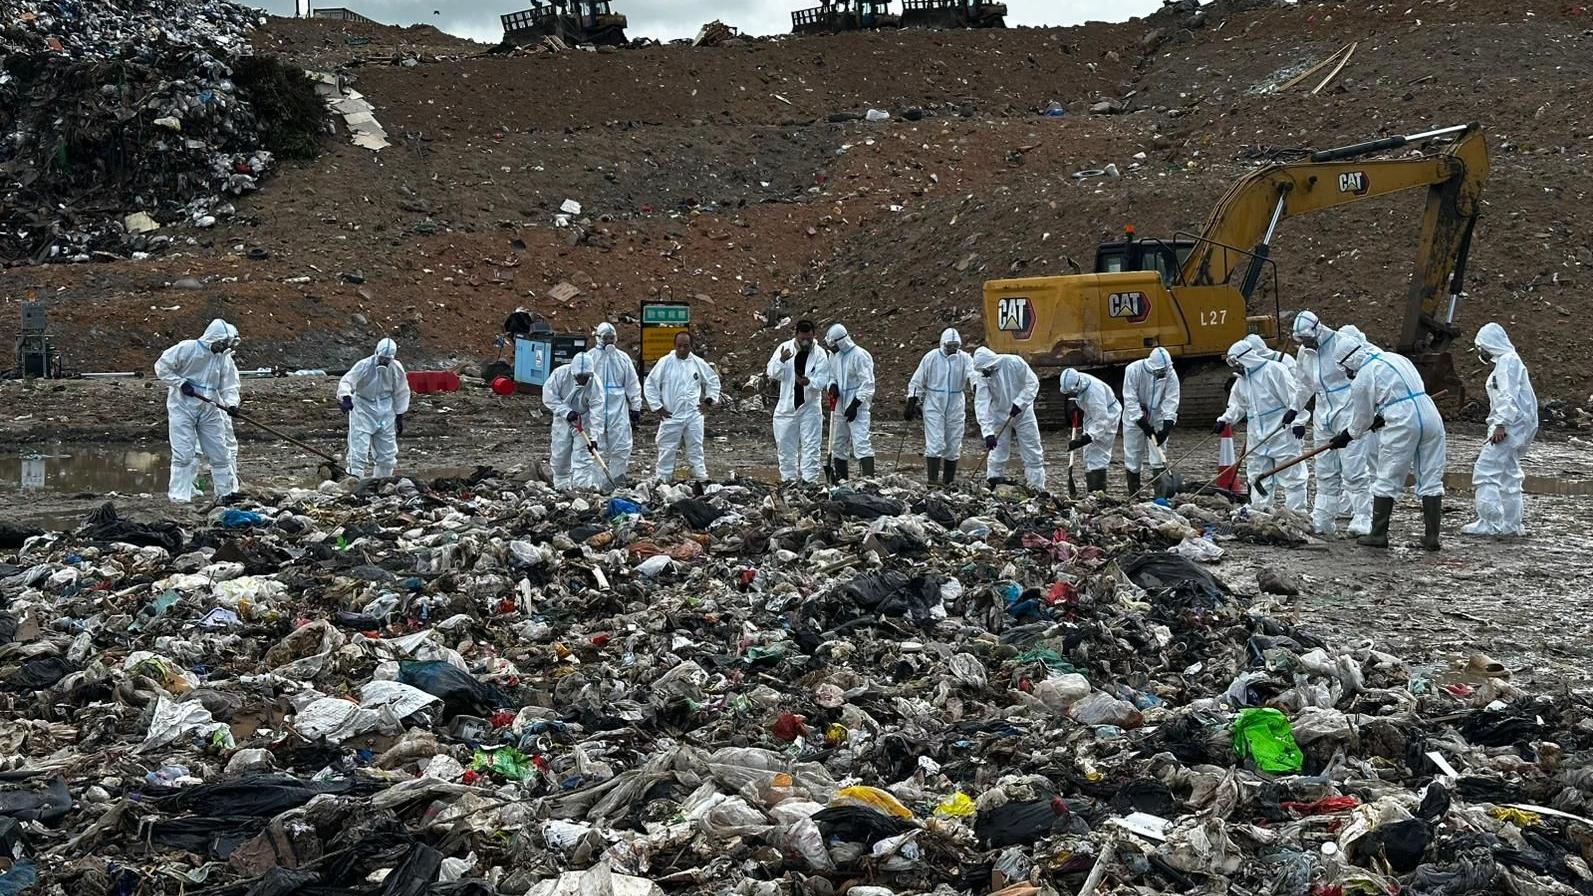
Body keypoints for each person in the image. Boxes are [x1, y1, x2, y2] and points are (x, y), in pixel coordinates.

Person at [1334, 340, 1447, 550]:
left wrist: (1347, 436)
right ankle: (1432, 537)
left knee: (1387, 476)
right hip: (1429, 413)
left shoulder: (1363, 377)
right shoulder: (1396, 358)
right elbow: (1400, 391)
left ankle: (1378, 534)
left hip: (1401, 421)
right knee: (1431, 476)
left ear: (1348, 362)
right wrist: (1382, 414)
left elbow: (1362, 420)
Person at [1291, 311, 1371, 536]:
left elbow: (1368, 365)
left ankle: (1363, 516)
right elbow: (1304, 384)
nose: (1305, 343)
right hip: (1323, 413)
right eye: (1301, 340)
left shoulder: (1342, 343)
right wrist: (1294, 408)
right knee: (1325, 468)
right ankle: (1323, 518)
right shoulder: (1305, 352)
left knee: (1353, 468)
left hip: (1348, 408)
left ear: (1317, 330)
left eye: (1307, 338)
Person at [1463, 322, 1537, 537]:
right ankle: (1511, 524)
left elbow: (1507, 395)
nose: (1481, 352)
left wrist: (1501, 424)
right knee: (1509, 475)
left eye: (1481, 346)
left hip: (1509, 426)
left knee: (1486, 471)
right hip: (1516, 425)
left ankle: (1490, 523)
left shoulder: (1507, 362)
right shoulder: (1511, 361)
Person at [155, 319, 240, 504]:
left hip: (210, 407)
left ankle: (225, 493)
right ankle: (179, 496)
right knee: (184, 453)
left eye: (225, 345)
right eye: (221, 343)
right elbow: (161, 366)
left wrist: (232, 404)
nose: (222, 348)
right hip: (182, 405)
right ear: (212, 338)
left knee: (220, 452)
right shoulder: (187, 349)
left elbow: (229, 384)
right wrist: (180, 383)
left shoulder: (223, 358)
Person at [1217, 339, 1308, 512]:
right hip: (1257, 436)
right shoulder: (1242, 381)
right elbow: (1237, 405)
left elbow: (1293, 397)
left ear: (1246, 358)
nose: (1236, 367)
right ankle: (1260, 510)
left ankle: (1297, 513)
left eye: (1236, 363)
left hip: (1281, 432)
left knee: (1292, 476)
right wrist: (1225, 420)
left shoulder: (1275, 370)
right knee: (1257, 475)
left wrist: (1299, 421)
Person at [644, 331, 722, 483]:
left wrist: (708, 401)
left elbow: (713, 380)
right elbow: (650, 385)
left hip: (693, 414)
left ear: (691, 346)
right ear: (675, 345)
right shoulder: (665, 363)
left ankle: (700, 478)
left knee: (696, 447)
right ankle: (663, 479)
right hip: (671, 414)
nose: (682, 349)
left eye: (686, 346)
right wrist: (657, 407)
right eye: (679, 346)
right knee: (667, 448)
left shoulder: (698, 363)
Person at [766, 320, 830, 484]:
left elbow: (823, 379)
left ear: (814, 335)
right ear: (796, 335)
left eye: (809, 338)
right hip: (787, 407)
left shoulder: (820, 354)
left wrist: (809, 382)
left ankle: (809, 482)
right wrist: (781, 360)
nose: (806, 342)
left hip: (810, 407)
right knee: (785, 447)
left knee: (811, 447)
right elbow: (772, 373)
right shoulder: (784, 348)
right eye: (802, 339)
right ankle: (789, 481)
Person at [337, 338, 411, 479]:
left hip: (386, 410)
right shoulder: (364, 365)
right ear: (376, 353)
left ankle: (382, 482)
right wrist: (345, 397)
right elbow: (347, 381)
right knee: (358, 451)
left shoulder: (396, 368)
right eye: (381, 358)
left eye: (387, 360)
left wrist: (400, 414)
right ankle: (355, 482)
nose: (383, 362)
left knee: (387, 453)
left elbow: (402, 391)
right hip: (363, 409)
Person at [972, 347, 1045, 490]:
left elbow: (1032, 383)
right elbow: (982, 404)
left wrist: (1020, 402)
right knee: (997, 452)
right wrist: (988, 433)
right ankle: (993, 483)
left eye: (986, 369)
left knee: (1032, 450)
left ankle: (1036, 487)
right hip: (998, 415)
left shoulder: (1014, 362)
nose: (985, 373)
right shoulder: (983, 376)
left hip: (1023, 414)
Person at [906, 328, 972, 485]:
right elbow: (918, 380)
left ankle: (948, 481)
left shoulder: (965, 359)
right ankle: (932, 481)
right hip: (934, 403)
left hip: (956, 403)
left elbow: (973, 373)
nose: (952, 349)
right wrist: (912, 401)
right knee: (935, 442)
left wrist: (977, 384)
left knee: (954, 443)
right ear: (943, 344)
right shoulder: (932, 357)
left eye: (955, 346)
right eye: (949, 346)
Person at [584, 321, 642, 484]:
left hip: (618, 409)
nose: (609, 341)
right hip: (596, 408)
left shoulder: (622, 358)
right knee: (597, 447)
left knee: (621, 447)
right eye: (606, 338)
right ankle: (598, 484)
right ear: (598, 338)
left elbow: (632, 384)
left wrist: (636, 407)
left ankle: (617, 481)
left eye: (612, 338)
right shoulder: (590, 358)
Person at [1120, 346, 1180, 495]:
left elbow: (1171, 399)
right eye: (1160, 371)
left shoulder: (1170, 374)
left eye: (1165, 371)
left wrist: (1167, 426)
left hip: (1158, 416)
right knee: (1133, 453)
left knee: (1159, 454)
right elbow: (1130, 399)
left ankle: (1161, 494)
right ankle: (1134, 492)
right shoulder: (1133, 370)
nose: (1163, 374)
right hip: (1134, 418)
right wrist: (1143, 423)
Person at [542, 353, 605, 489]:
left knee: (583, 457)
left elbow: (597, 412)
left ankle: (581, 489)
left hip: (584, 420)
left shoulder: (595, 384)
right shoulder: (560, 374)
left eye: (585, 377)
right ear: (573, 373)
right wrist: (566, 412)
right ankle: (561, 487)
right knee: (560, 454)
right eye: (579, 377)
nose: (582, 380)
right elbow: (548, 396)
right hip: (562, 420)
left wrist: (594, 438)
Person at [1335, 324, 1380, 514]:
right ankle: (1349, 502)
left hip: (1375, 420)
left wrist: (1351, 432)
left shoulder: (1372, 360)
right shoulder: (1359, 361)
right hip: (1362, 417)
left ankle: (1372, 505)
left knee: (1371, 461)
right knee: (1354, 464)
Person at [823, 323, 876, 479]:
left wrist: (855, 404)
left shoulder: (860, 356)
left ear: (841, 341)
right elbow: (832, 376)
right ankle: (841, 480)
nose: (832, 349)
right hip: (839, 405)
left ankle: (868, 481)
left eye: (834, 345)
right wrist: (832, 386)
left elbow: (868, 384)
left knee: (861, 443)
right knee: (838, 444)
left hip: (857, 407)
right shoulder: (834, 356)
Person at [1060, 368, 1122, 494]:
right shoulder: (1076, 380)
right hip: (1091, 414)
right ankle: (1092, 491)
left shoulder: (1095, 393)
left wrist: (1085, 439)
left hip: (1108, 414)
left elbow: (1101, 421)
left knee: (1098, 452)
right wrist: (1074, 404)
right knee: (1089, 453)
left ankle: (1098, 492)